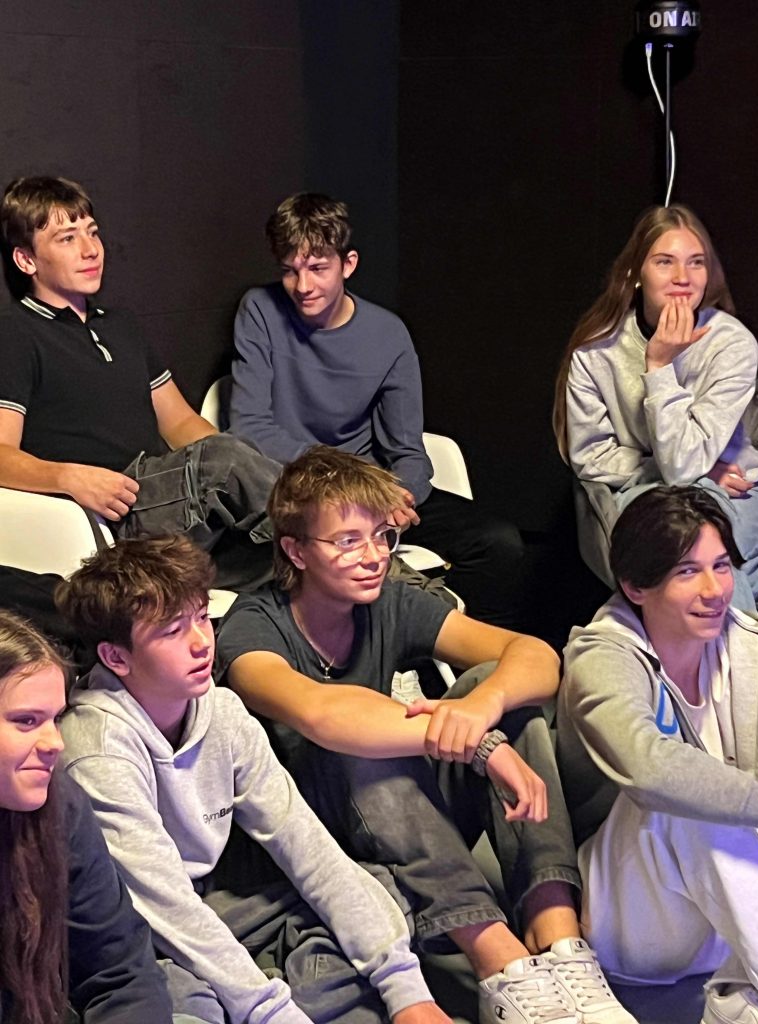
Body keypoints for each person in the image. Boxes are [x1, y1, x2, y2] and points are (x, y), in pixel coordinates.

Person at [216, 445, 637, 1024]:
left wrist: (484, 706)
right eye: (347, 541)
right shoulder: (251, 626)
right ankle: (500, 963)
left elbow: (535, 655)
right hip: (318, 833)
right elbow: (323, 715)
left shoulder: (389, 600)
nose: (373, 557)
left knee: (499, 690)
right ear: (295, 550)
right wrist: (483, 748)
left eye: (382, 536)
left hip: (402, 813)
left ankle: (559, 936)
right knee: (363, 746)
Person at [55, 534, 450, 1024]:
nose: (202, 642)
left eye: (202, 617)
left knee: (380, 892)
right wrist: (272, 1011)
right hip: (133, 931)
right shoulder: (95, 749)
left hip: (214, 903)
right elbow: (165, 907)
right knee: (178, 1000)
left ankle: (274, 988)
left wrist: (407, 992)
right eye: (173, 630)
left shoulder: (221, 710)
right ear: (116, 658)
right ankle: (277, 993)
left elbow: (306, 846)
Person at [228, 191, 524, 628]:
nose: (303, 286)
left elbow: (408, 449)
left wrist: (398, 497)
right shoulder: (260, 310)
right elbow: (249, 427)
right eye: (290, 271)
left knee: (499, 543)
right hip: (293, 489)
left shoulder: (388, 333)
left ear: (348, 264)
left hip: (373, 493)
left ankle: (470, 653)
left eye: (317, 268)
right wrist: (346, 482)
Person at [0, 176, 279, 590]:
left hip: (167, 496)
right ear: (27, 260)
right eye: (67, 238)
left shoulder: (122, 325)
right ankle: (339, 520)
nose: (91, 249)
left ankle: (350, 545)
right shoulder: (16, 333)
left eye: (93, 232)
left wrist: (244, 464)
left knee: (285, 559)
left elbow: (180, 423)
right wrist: (69, 478)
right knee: (230, 466)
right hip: (111, 512)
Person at [558, 485, 758, 1024]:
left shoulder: (750, 644)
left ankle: (743, 1002)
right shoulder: (601, 655)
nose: (714, 590)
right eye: (687, 572)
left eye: (721, 566)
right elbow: (650, 770)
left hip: (727, 919)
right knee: (685, 797)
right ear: (635, 586)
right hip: (628, 911)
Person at [553, 203, 758, 602]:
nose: (683, 277)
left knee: (702, 548)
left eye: (696, 262)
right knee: (679, 548)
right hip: (645, 489)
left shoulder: (732, 344)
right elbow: (591, 456)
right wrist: (659, 364)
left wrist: (661, 369)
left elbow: (684, 465)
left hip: (737, 488)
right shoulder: (596, 350)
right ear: (636, 272)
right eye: (665, 262)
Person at [0, 608, 174, 1024]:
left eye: (55, 719)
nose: (55, 743)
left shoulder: (60, 805)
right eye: (26, 721)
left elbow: (121, 971)